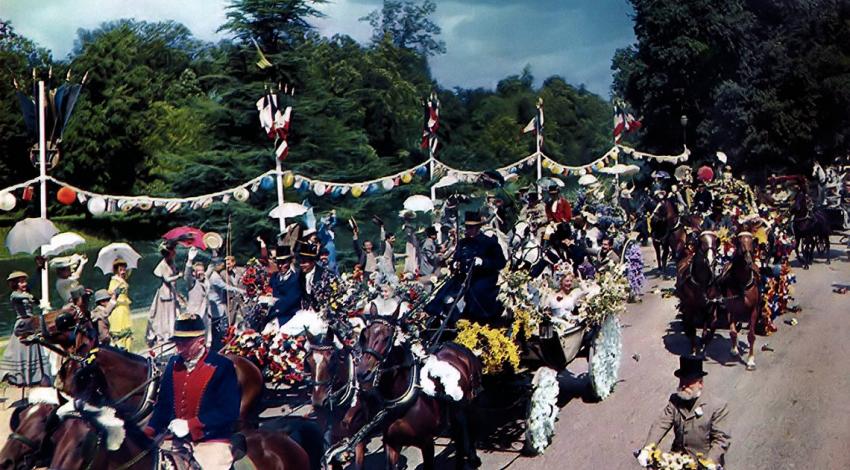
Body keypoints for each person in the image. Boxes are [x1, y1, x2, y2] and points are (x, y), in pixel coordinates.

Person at [144, 314, 240, 470]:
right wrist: (149, 430)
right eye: (177, 343)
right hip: (175, 439)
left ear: (200, 342)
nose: (179, 349)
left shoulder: (223, 366)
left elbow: (229, 412)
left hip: (211, 440)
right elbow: (163, 405)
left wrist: (191, 425)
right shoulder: (173, 364)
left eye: (184, 344)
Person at [637, 355, 731, 469]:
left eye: (689, 382)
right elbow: (661, 423)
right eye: (682, 381)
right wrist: (648, 448)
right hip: (677, 461)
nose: (684, 386)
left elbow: (721, 439)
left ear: (700, 383)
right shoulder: (675, 400)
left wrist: (710, 461)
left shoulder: (717, 406)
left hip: (703, 464)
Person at [425, 211, 507, 326]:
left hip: (483, 277)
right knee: (444, 292)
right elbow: (456, 257)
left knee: (475, 292)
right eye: (468, 227)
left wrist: (483, 262)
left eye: (472, 227)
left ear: (478, 227)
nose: (469, 230)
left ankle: (476, 321)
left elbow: (500, 262)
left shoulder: (489, 243)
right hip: (462, 277)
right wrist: (454, 264)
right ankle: (445, 319)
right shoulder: (462, 243)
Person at [1, 271, 50, 386]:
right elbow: (23, 296)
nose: (24, 284)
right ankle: (22, 377)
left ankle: (36, 377)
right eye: (21, 282)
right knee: (22, 351)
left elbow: (32, 283)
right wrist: (35, 299)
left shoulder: (25, 292)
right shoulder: (14, 295)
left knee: (34, 349)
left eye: (24, 281)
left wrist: (39, 269)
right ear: (15, 284)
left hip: (31, 323)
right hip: (22, 325)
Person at [147, 243, 182, 347]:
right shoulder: (163, 264)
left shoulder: (172, 263)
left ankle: (172, 332)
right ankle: (165, 334)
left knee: (173, 312)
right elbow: (167, 279)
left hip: (172, 291)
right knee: (164, 314)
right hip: (165, 292)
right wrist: (178, 276)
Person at [208, 257, 245, 349]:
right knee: (219, 329)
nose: (224, 266)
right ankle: (218, 347)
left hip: (219, 306)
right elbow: (225, 286)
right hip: (217, 307)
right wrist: (240, 290)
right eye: (223, 264)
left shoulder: (216, 274)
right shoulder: (215, 277)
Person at [269, 246, 301, 326]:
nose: (280, 266)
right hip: (272, 315)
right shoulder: (274, 276)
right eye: (278, 262)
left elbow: (290, 300)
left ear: (290, 261)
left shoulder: (296, 278)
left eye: (283, 263)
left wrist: (274, 305)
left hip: (289, 316)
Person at [107, 258, 133, 350]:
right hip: (118, 306)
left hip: (125, 306)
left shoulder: (123, 279)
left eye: (124, 269)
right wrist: (118, 287)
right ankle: (120, 347)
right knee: (120, 328)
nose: (123, 271)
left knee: (127, 329)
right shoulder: (114, 280)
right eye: (121, 269)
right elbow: (110, 292)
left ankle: (127, 347)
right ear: (116, 270)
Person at [298, 243, 335, 310]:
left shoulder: (326, 275)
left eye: (305, 262)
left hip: (322, 312)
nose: (301, 265)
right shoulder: (300, 275)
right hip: (306, 312)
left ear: (313, 262)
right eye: (300, 262)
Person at [223, 255, 245, 326]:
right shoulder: (223, 274)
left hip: (243, 302)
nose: (227, 266)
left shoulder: (243, 271)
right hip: (231, 303)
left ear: (234, 263)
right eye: (226, 264)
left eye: (229, 264)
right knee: (232, 325)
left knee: (246, 322)